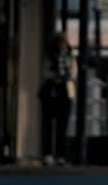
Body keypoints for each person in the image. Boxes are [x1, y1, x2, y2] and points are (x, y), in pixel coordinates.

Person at [38, 33, 73, 166]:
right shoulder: (49, 57)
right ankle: (47, 154)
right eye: (60, 42)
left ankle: (61, 155)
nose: (62, 45)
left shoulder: (70, 57)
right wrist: (55, 77)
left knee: (62, 126)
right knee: (48, 124)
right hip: (50, 92)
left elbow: (73, 73)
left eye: (64, 42)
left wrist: (66, 77)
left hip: (65, 92)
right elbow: (45, 73)